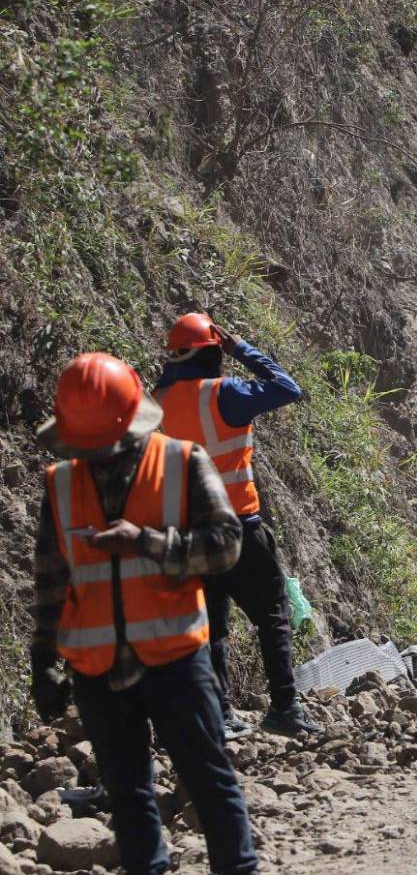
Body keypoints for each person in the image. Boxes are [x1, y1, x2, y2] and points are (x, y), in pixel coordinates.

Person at [31, 352, 258, 875]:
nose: (97, 458)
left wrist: (148, 543)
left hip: (175, 657)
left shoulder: (182, 462)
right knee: (128, 794)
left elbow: (225, 545)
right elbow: (51, 578)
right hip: (97, 668)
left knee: (208, 779)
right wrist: (43, 656)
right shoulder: (61, 485)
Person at [154, 313, 317, 738]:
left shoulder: (159, 400)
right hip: (240, 525)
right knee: (272, 614)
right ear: (212, 351)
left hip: (192, 532)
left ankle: (220, 713)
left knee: (212, 626)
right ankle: (284, 708)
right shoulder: (224, 393)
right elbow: (287, 387)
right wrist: (240, 348)